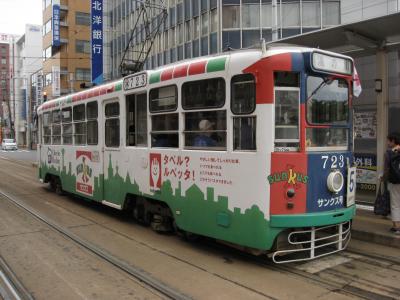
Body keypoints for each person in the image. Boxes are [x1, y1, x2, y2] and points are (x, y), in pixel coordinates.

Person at [383, 133, 400, 234]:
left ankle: (396, 227)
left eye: (388, 141)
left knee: (395, 204)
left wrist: (383, 178)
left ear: (393, 141)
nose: (388, 143)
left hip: (395, 182)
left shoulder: (389, 153)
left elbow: (386, 169)